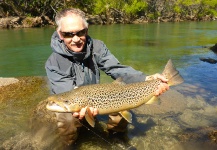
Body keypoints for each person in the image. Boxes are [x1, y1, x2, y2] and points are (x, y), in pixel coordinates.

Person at [45, 8, 169, 146]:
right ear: (60, 34)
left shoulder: (97, 47)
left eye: (80, 32)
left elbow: (115, 68)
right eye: (68, 34)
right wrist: (84, 108)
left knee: (123, 103)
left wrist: (146, 79)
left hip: (93, 96)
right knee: (67, 120)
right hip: (75, 98)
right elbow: (67, 93)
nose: (75, 39)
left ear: (86, 29)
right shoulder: (54, 62)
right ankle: (69, 144)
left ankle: (117, 137)